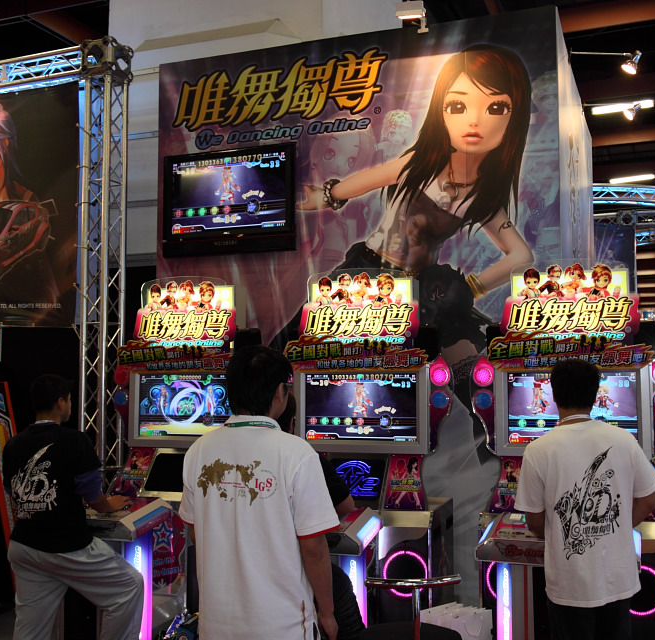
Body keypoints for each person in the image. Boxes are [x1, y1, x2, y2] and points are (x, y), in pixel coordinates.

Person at [291, 45, 535, 374]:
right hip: (367, 273)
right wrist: (326, 195)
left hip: (419, 292)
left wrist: (468, 288)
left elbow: (521, 255)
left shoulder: (482, 196)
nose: (474, 120)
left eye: (496, 107)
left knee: (443, 370)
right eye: (458, 105)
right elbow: (366, 181)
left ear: (514, 118)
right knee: (304, 350)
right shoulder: (419, 164)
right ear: (441, 110)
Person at [180, 346, 339, 640]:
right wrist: (327, 612)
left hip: (216, 625)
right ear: (280, 392)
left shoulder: (198, 450)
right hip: (283, 626)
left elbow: (195, 533)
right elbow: (314, 548)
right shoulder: (297, 452)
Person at [514, 359, 655, 640]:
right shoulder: (624, 439)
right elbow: (648, 501)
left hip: (568, 580)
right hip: (617, 577)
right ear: (595, 396)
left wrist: (566, 531)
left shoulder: (538, 449)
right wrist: (614, 528)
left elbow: (533, 519)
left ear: (554, 395)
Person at [2, 374, 143, 640]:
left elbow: (14, 491)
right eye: (68, 400)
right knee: (129, 586)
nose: (69, 405)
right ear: (60, 402)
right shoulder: (75, 440)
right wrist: (107, 505)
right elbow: (93, 495)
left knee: (31, 627)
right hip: (65, 546)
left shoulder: (13, 444)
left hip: (24, 547)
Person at [276, 393, 364, 640]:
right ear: (292, 422)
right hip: (291, 574)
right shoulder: (301, 455)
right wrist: (326, 612)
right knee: (339, 584)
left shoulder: (209, 449)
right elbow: (346, 506)